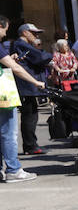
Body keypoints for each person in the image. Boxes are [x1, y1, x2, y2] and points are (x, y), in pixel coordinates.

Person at [0, 16, 45, 182]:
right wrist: (36, 82)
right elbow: (17, 69)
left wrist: (8, 60)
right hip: (3, 95)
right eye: (5, 29)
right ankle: (13, 170)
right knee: (8, 133)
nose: (5, 33)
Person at [12, 23, 51, 155]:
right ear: (25, 32)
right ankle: (30, 146)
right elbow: (40, 57)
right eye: (34, 33)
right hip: (26, 86)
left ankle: (31, 145)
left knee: (31, 115)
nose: (36, 35)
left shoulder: (23, 45)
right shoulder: (21, 44)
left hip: (28, 85)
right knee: (29, 116)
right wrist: (46, 53)